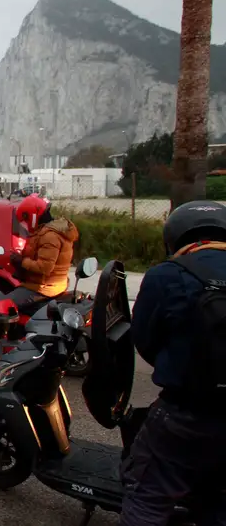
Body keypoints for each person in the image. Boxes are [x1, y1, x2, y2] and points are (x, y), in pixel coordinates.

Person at [120, 200, 226, 526]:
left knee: (148, 496)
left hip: (186, 413)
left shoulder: (166, 275)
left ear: (175, 237)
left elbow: (145, 340)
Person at [6, 194, 79, 308]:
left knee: (4, 306)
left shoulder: (50, 236)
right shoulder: (47, 231)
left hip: (44, 288)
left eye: (26, 219)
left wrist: (22, 261)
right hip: (47, 285)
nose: (26, 224)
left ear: (32, 216)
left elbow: (44, 267)